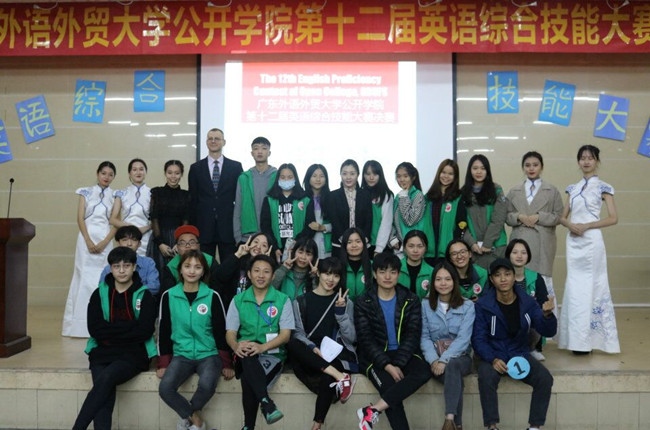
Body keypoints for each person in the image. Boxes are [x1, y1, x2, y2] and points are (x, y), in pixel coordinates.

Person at [73, 246, 156, 430]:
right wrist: (129, 327)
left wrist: (111, 331)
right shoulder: (99, 294)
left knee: (106, 378)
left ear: (134, 267)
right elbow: (95, 329)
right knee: (104, 391)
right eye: (117, 266)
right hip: (102, 352)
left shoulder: (145, 295)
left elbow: (145, 331)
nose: (121, 270)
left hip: (133, 354)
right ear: (110, 268)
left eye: (126, 266)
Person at [472, 258, 556, 430]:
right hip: (492, 355)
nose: (503, 279)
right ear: (491, 279)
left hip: (518, 352)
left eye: (507, 274)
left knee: (545, 379)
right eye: (498, 275)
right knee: (486, 377)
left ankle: (534, 427)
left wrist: (547, 315)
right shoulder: (483, 305)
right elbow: (478, 339)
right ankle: (492, 426)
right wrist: (493, 359)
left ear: (513, 277)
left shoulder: (528, 302)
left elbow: (548, 331)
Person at [157, 249, 233, 430]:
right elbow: (164, 331)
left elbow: (220, 331)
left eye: (197, 267)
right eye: (187, 266)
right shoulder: (168, 296)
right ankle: (196, 421)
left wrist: (227, 363)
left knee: (207, 384)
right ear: (180, 269)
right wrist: (163, 363)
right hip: (181, 354)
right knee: (165, 388)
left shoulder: (212, 296)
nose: (192, 271)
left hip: (209, 354)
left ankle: (188, 420)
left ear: (204, 271)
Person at [355, 252, 431, 430]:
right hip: (375, 357)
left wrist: (397, 363)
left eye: (393, 272)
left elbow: (413, 334)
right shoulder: (364, 301)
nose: (387, 277)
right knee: (389, 388)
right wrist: (388, 366)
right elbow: (366, 339)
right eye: (382, 272)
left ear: (398, 274)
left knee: (423, 372)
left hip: (403, 353)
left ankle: (373, 409)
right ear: (375, 274)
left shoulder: (410, 299)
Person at [558, 144, 620, 355]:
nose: (586, 161)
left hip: (592, 241)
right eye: (582, 158)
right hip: (574, 241)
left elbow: (613, 218)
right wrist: (570, 225)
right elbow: (562, 217)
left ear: (597, 161)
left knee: (593, 286)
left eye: (590, 158)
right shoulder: (572, 188)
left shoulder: (604, 187)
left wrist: (587, 226)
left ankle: (591, 340)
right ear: (578, 161)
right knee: (575, 288)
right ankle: (575, 340)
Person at [287, 257, 358, 430]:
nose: (331, 279)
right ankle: (341, 377)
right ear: (318, 273)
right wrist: (312, 347)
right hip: (311, 354)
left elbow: (351, 338)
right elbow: (298, 333)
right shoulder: (301, 301)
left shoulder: (345, 301)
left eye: (336, 275)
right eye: (327, 274)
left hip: (336, 354)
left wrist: (341, 313)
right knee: (292, 342)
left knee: (328, 375)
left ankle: (316, 425)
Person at [225, 254, 295, 430]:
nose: (261, 275)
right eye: (256, 271)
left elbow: (285, 335)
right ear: (249, 274)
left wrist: (262, 347)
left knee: (249, 378)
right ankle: (266, 402)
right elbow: (230, 332)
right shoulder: (238, 300)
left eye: (266, 271)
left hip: (272, 354)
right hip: (243, 353)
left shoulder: (282, 300)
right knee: (248, 353)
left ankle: (248, 426)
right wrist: (236, 345)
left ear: (273, 275)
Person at [63, 161, 117, 338]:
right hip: (85, 239)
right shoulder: (85, 192)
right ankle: (77, 326)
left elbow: (115, 222)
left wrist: (105, 242)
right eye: (103, 173)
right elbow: (80, 218)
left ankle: (101, 324)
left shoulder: (116, 195)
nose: (106, 177)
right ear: (97, 173)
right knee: (82, 276)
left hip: (105, 240)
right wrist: (87, 240)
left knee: (102, 278)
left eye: (110, 174)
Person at [421, 261, 475, 430]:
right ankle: (456, 424)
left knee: (453, 366)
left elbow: (463, 339)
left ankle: (449, 419)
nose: (443, 283)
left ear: (454, 281)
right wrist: (433, 360)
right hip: (435, 359)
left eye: (447, 279)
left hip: (462, 358)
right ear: (433, 282)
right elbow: (424, 337)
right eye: (438, 279)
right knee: (455, 379)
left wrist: (444, 360)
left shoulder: (468, 306)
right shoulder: (425, 304)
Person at [506, 151, 562, 306]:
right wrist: (519, 217)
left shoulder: (552, 190)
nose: (531, 168)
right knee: (518, 280)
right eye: (527, 165)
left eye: (535, 165)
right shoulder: (514, 191)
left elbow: (559, 216)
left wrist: (539, 217)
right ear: (523, 168)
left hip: (543, 242)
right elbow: (506, 216)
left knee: (543, 284)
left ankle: (546, 317)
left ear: (541, 167)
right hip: (520, 239)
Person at [188, 128, 243, 262]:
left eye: (217, 138)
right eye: (210, 138)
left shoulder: (235, 167)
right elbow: (193, 200)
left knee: (230, 266)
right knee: (204, 266)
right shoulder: (196, 168)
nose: (213, 141)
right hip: (204, 228)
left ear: (224, 142)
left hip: (228, 227)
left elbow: (240, 199)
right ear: (206, 142)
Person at [460, 154, 508, 269]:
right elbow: (461, 222)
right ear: (470, 170)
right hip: (473, 249)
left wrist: (487, 243)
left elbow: (498, 219)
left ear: (487, 171)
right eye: (475, 168)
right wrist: (471, 243)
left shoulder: (496, 190)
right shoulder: (462, 193)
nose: (479, 172)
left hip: (495, 247)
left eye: (483, 168)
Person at [506, 238, 550, 361]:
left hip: (529, 320)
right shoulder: (502, 276)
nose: (519, 256)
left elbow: (543, 302)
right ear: (508, 255)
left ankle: (532, 348)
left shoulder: (536, 277)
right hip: (507, 318)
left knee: (539, 315)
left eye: (523, 253)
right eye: (515, 252)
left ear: (528, 256)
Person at [260, 163, 310, 262]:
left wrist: (297, 243)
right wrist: (275, 247)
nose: (286, 180)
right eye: (283, 177)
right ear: (278, 179)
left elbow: (309, 226)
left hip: (299, 248)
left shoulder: (305, 200)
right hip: (276, 248)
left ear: (295, 179)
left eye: (290, 177)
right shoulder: (269, 200)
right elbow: (265, 226)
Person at [233, 136, 277, 244]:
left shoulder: (277, 176)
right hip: (247, 237)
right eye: (256, 148)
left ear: (269, 153)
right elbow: (238, 208)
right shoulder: (244, 178)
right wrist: (238, 237)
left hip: (272, 235)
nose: (260, 151)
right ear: (252, 153)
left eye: (264, 148)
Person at [150, 160, 190, 276]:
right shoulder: (157, 192)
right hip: (159, 238)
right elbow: (154, 218)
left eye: (177, 173)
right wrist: (160, 243)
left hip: (179, 238)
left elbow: (186, 220)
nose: (173, 176)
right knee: (159, 273)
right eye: (170, 173)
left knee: (179, 273)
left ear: (181, 174)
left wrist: (180, 242)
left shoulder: (186, 195)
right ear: (165, 173)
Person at [212, 231, 274, 306]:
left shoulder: (269, 269)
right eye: (256, 242)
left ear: (268, 250)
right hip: (233, 306)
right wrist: (238, 254)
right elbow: (219, 276)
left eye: (264, 245)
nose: (258, 246)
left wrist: (265, 263)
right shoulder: (238, 260)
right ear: (249, 243)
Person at [425, 159, 467, 262]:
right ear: (439, 173)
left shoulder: (458, 197)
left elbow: (461, 223)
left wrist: (454, 244)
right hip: (428, 250)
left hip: (448, 251)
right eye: (443, 172)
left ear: (455, 177)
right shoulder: (428, 197)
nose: (446, 176)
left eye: (450, 174)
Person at [159, 225, 219, 298]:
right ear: (177, 247)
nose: (187, 246)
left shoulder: (209, 261)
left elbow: (217, 288)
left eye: (192, 242)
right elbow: (167, 295)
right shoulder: (171, 267)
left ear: (198, 246)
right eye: (182, 243)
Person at [98, 226, 160, 296]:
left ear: (139, 244)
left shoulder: (148, 263)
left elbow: (154, 287)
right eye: (125, 240)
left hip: (141, 301)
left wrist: (127, 294)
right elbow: (102, 289)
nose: (129, 244)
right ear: (118, 243)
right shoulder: (110, 267)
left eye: (134, 240)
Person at [327, 159, 373, 250]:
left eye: (352, 174)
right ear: (340, 175)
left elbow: (369, 219)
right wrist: (344, 239)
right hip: (339, 244)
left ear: (358, 175)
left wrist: (364, 238)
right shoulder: (332, 196)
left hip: (361, 243)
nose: (348, 177)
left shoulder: (366, 194)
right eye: (344, 174)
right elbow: (334, 220)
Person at [109, 158, 151, 256]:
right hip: (126, 237)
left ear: (145, 172)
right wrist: (131, 229)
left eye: (141, 169)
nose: (138, 172)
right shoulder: (121, 193)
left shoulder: (153, 193)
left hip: (146, 236)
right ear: (129, 173)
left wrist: (145, 228)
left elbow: (156, 220)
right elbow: (113, 219)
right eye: (134, 169)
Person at [391, 162, 427, 252]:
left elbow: (410, 221)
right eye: (398, 176)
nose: (401, 179)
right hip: (400, 245)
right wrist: (392, 238)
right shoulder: (398, 196)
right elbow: (393, 221)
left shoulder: (418, 195)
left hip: (414, 245)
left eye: (405, 176)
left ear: (413, 177)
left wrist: (404, 196)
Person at [361, 160, 394, 255]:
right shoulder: (360, 193)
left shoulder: (386, 195)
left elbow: (386, 223)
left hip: (380, 246)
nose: (371, 178)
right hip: (362, 245)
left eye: (375, 174)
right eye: (368, 174)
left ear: (380, 175)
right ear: (363, 175)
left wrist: (379, 248)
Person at [302, 164, 332, 258]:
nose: (318, 179)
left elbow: (338, 224)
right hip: (305, 245)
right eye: (314, 176)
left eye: (321, 176)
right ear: (308, 178)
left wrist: (323, 227)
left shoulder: (332, 198)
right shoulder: (301, 198)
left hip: (326, 245)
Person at [397, 230, 434, 300]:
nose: (415, 250)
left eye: (420, 246)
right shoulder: (395, 268)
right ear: (404, 248)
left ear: (426, 248)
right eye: (411, 246)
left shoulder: (431, 272)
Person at [339, 227, 373, 302]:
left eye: (358, 241)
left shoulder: (373, 266)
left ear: (363, 244)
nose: (354, 245)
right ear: (344, 245)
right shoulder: (338, 267)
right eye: (349, 242)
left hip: (368, 308)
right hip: (343, 306)